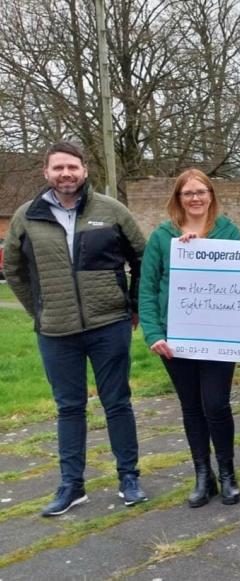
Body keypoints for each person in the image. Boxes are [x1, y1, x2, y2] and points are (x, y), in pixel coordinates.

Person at [3, 141, 148, 516]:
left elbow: (142, 258)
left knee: (117, 402)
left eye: (72, 167)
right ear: (46, 173)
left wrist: (133, 305)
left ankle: (129, 478)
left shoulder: (111, 211)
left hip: (109, 324)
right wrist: (38, 308)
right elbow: (14, 270)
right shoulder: (26, 217)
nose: (65, 174)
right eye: (58, 168)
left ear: (84, 170)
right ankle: (72, 485)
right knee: (69, 408)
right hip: (56, 332)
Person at [138, 169, 240, 507]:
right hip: (176, 339)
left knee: (216, 404)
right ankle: (203, 475)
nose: (195, 198)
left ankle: (227, 473)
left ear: (211, 195)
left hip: (219, 338)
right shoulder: (162, 237)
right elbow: (147, 288)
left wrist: (204, 250)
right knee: (192, 407)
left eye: (201, 192)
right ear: (178, 198)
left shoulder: (229, 232)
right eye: (188, 193)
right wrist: (153, 333)